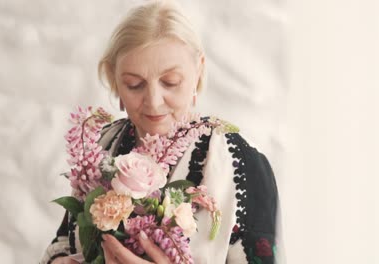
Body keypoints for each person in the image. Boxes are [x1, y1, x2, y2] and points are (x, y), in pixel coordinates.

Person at [40, 1, 280, 263]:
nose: (153, 101)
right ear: (114, 79)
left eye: (170, 82)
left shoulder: (242, 165)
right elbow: (64, 242)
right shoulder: (101, 146)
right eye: (134, 85)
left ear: (198, 69)